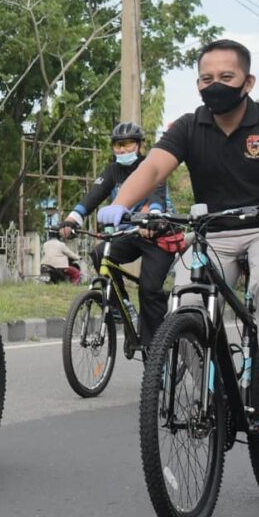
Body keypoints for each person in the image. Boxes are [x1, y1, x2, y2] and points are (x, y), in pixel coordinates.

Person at [98, 39, 259, 429]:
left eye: (226, 77)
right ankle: (211, 393)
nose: (216, 84)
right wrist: (121, 204)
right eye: (207, 78)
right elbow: (153, 169)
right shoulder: (188, 126)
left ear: (248, 82)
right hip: (213, 234)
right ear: (198, 84)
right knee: (187, 305)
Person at [60, 122, 175, 351]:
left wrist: (152, 214)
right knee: (99, 253)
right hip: (130, 234)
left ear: (140, 145)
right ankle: (120, 305)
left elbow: (156, 198)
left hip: (158, 235)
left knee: (149, 290)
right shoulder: (113, 171)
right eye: (117, 145)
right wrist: (73, 218)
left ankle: (155, 354)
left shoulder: (151, 166)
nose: (122, 150)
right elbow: (94, 196)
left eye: (127, 144)